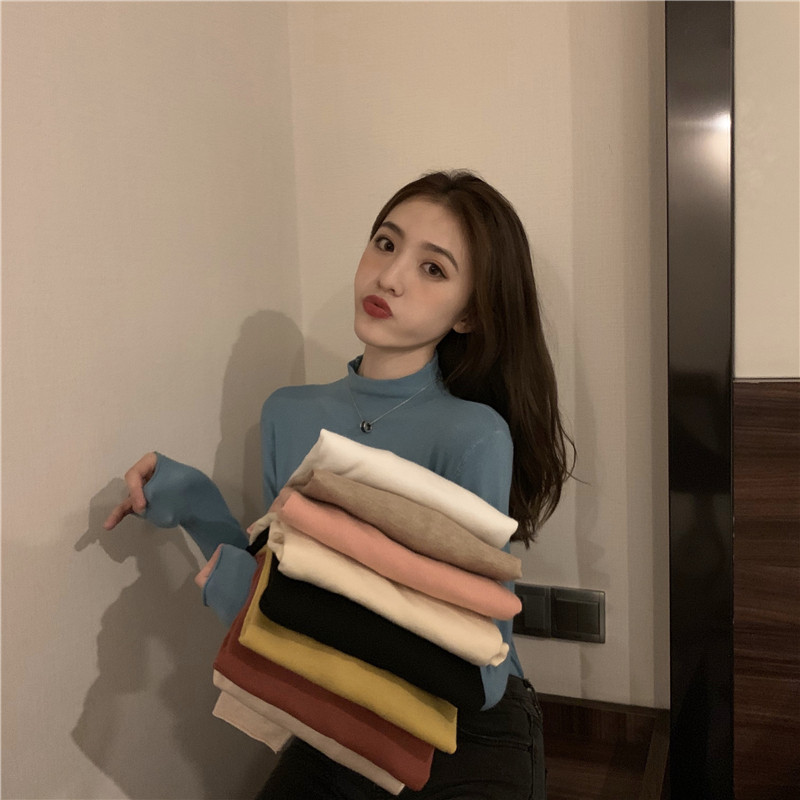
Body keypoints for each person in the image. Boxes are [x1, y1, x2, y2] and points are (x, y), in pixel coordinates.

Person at [105, 170, 573, 799]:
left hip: (466, 728)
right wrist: (192, 500)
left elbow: (480, 674)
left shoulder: (473, 435)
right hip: (342, 713)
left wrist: (268, 602)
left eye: (432, 268)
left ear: (469, 314)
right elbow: (283, 569)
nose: (390, 277)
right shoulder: (288, 412)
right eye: (386, 243)